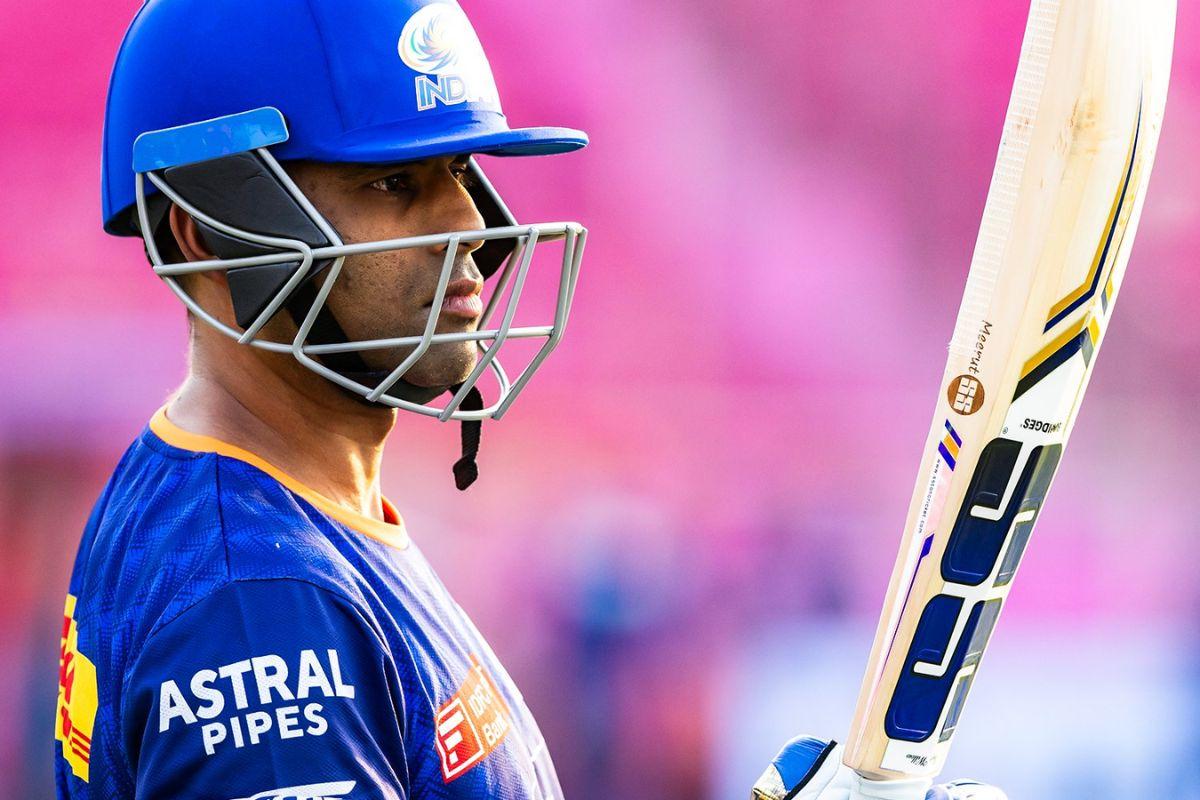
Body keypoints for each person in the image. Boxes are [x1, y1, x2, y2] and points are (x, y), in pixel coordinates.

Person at [53, 1, 1007, 798]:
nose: (470, 225)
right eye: (394, 182)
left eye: (460, 173)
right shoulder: (259, 606)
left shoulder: (264, 512)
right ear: (206, 234)